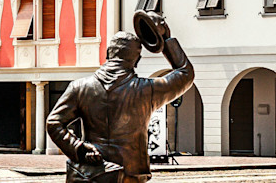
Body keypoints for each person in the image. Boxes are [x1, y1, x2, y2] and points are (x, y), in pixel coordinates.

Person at [47, 14, 194, 183]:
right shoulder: (147, 90)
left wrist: (79, 149)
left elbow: (54, 123)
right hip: (130, 173)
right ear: (136, 61)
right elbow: (185, 73)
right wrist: (166, 38)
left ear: (108, 54)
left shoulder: (79, 87)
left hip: (92, 171)